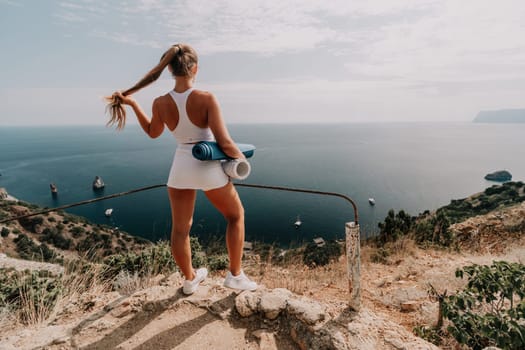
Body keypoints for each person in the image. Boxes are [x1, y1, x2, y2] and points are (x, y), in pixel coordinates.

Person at [106, 43, 257, 295]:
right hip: (207, 166)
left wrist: (133, 105)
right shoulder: (206, 98)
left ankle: (189, 280)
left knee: (180, 230)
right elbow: (225, 142)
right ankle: (235, 275)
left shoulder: (160, 102)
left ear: (170, 70)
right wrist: (242, 161)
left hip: (180, 168)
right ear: (195, 68)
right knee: (235, 215)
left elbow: (153, 132)